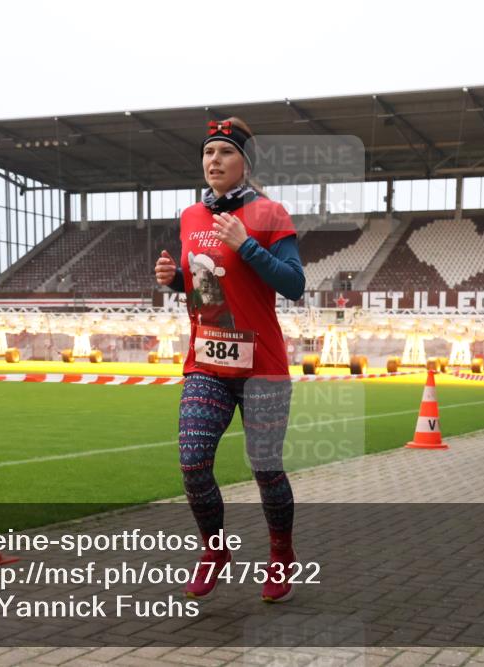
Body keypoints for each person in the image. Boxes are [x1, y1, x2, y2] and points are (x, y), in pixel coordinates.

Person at [154, 117, 305, 603]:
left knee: (265, 468)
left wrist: (247, 244)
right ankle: (214, 550)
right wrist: (175, 279)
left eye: (223, 152)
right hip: (207, 364)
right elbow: (207, 281)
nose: (213, 160)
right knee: (193, 463)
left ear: (244, 163)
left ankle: (281, 553)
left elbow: (295, 284)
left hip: (262, 367)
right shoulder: (190, 217)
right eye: (207, 153)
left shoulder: (270, 213)